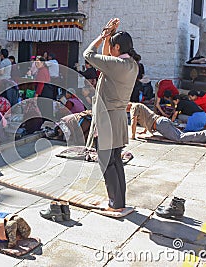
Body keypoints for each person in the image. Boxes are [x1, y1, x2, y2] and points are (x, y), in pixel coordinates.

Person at [83, 18, 139, 213]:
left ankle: (114, 204)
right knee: (116, 161)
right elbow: (107, 57)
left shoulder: (115, 65)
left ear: (117, 47)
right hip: (118, 119)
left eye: (112, 46)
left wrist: (102, 36)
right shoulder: (131, 64)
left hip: (107, 119)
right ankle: (119, 202)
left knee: (107, 162)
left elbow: (88, 54)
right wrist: (109, 38)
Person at [128, 103, 206, 144]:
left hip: (160, 124)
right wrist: (144, 131)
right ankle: (203, 135)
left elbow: (133, 122)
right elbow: (147, 117)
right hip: (162, 121)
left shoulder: (133, 108)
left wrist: (132, 136)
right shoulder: (138, 106)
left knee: (179, 138)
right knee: (181, 134)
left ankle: (204, 135)